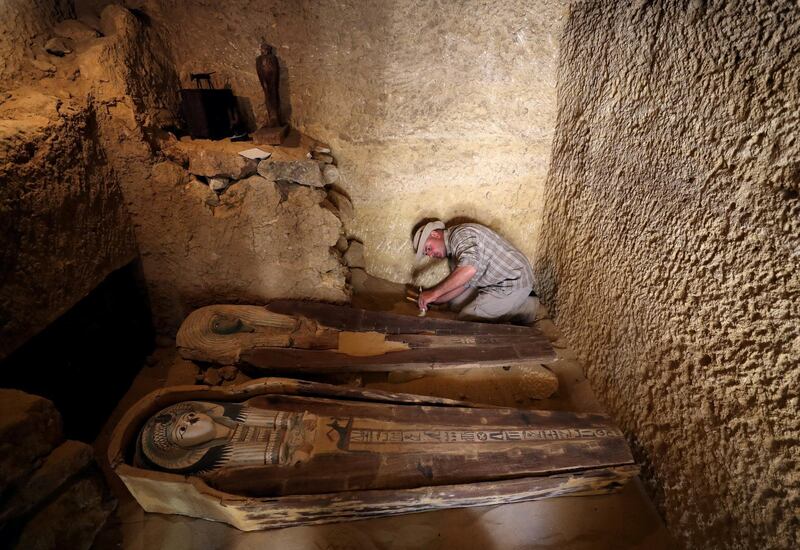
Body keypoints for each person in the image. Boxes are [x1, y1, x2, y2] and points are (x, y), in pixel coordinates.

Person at [412, 220, 538, 323]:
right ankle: (515, 304)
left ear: (435, 234)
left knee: (467, 319)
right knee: (455, 304)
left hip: (513, 282)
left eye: (428, 248)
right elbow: (462, 284)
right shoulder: (454, 253)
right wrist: (433, 300)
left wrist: (433, 293)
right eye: (426, 253)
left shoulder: (460, 235)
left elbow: (469, 269)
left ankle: (525, 307)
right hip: (496, 283)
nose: (429, 254)